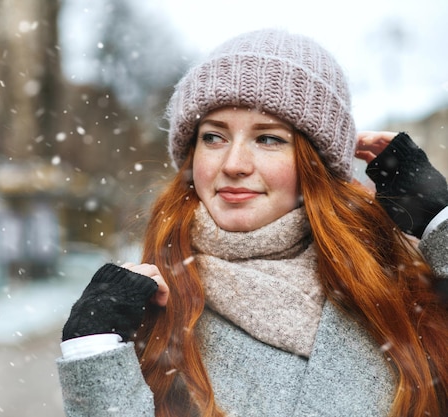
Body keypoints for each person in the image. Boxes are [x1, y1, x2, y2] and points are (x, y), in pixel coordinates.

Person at [56, 28, 448, 417]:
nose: (234, 165)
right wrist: (93, 353)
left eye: (268, 139)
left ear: (315, 164)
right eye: (213, 137)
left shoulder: (394, 289)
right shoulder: (150, 305)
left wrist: (440, 223)